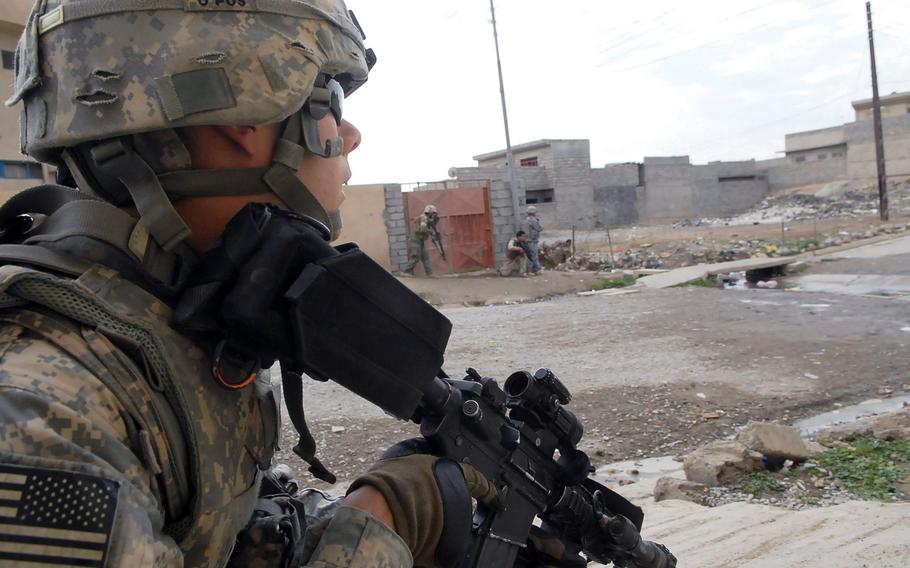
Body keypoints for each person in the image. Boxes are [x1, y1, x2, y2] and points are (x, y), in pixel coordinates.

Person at [0, 2, 485, 566]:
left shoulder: (155, 314)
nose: (350, 135)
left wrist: (361, 514)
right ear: (244, 115)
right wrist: (383, 522)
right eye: (331, 98)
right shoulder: (42, 416)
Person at [402, 204, 439, 276]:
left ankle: (430, 274)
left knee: (425, 257)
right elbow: (423, 228)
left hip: (420, 241)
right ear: (430, 212)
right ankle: (405, 272)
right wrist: (431, 232)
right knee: (416, 257)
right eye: (433, 213)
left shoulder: (426, 218)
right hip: (415, 240)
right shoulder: (424, 217)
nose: (434, 214)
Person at [522, 205, 544, 275]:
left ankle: (532, 270)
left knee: (530, 255)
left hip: (527, 240)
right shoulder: (533, 220)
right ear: (534, 212)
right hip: (532, 240)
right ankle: (534, 270)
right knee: (533, 255)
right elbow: (539, 228)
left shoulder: (526, 220)